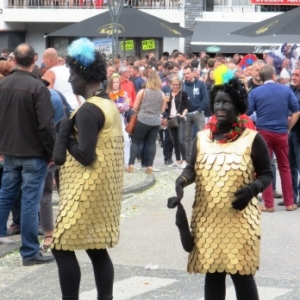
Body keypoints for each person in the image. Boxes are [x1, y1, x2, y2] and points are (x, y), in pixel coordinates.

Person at [168, 66, 272, 300]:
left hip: (240, 220)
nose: (220, 108)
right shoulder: (201, 138)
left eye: (226, 103)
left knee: (242, 275)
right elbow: (191, 169)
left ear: (238, 106)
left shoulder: (252, 139)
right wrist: (181, 182)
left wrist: (252, 190)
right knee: (212, 275)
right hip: (208, 220)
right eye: (217, 103)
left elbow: (267, 173)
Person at [51, 38, 124, 300]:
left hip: (86, 189)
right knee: (95, 248)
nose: (69, 80)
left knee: (60, 247)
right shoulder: (107, 104)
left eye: (72, 74)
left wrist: (66, 136)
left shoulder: (88, 111)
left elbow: (85, 155)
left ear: (84, 75)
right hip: (102, 190)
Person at [0, 43, 56, 264]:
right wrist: (51, 152)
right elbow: (46, 125)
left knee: (6, 195)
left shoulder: (3, 85)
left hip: (10, 150)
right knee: (30, 202)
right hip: (33, 152)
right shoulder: (38, 88)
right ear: (34, 59)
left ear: (13, 60)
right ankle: (30, 252)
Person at [247, 65, 299, 212]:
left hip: (263, 132)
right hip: (282, 131)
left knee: (265, 168)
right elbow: (296, 111)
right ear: (274, 76)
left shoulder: (255, 92)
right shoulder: (286, 89)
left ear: (261, 78)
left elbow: (248, 112)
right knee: (285, 167)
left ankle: (268, 204)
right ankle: (289, 203)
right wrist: (288, 127)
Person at [127, 71, 168, 174]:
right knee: (151, 143)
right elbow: (162, 110)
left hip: (142, 119)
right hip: (155, 122)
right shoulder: (162, 94)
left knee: (136, 142)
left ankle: (131, 164)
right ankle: (150, 166)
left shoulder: (143, 92)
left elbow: (135, 107)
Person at [182, 65, 209, 162]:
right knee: (187, 137)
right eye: (185, 74)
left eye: (188, 73)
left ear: (193, 73)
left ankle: (203, 156)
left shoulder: (200, 84)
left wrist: (199, 110)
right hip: (187, 113)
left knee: (202, 135)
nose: (186, 75)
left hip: (198, 112)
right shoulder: (183, 85)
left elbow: (205, 98)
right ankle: (188, 159)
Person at [106, 73, 130, 167]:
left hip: (120, 118)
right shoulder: (107, 95)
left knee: (126, 140)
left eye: (117, 82)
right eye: (114, 82)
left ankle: (126, 162)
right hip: (111, 119)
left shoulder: (124, 94)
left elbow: (127, 105)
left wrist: (122, 107)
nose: (115, 84)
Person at [165, 75, 189, 168]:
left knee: (181, 140)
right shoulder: (168, 95)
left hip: (180, 118)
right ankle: (178, 160)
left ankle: (185, 160)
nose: (175, 86)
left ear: (180, 85)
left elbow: (187, 106)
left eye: (177, 84)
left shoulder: (183, 94)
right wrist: (166, 104)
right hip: (171, 119)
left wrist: (183, 114)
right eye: (174, 84)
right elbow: (167, 109)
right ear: (170, 85)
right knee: (174, 141)